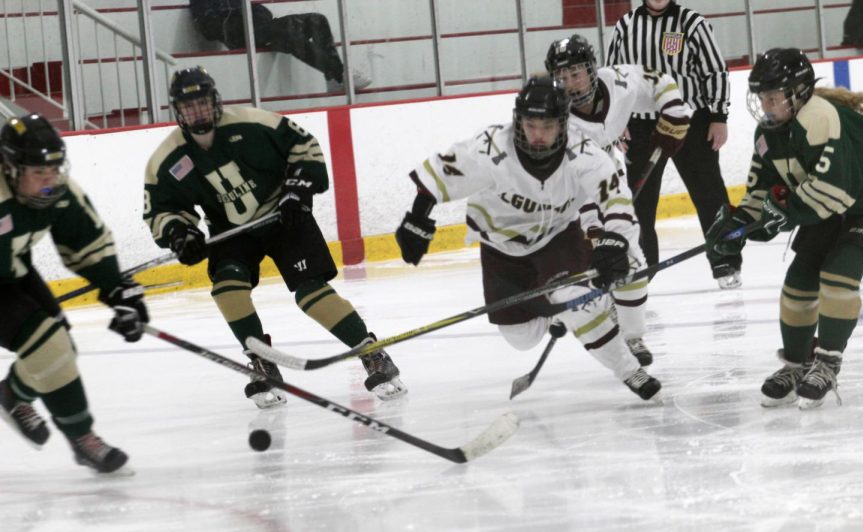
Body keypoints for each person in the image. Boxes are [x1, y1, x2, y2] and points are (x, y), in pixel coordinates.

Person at [144, 66, 405, 407]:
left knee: (310, 291)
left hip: (282, 217)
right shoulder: (168, 158)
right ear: (178, 110)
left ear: (215, 101)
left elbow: (304, 146)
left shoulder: (252, 123)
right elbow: (160, 209)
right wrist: (179, 233)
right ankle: (262, 362)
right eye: (189, 105)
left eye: (202, 102)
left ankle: (371, 352)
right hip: (231, 232)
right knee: (227, 288)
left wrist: (298, 189)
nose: (198, 111)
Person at [394, 75, 662, 401]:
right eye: (531, 125)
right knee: (520, 337)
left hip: (558, 240)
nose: (538, 135)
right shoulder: (490, 148)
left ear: (563, 125)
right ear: (518, 121)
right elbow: (437, 174)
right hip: (500, 249)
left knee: (576, 301)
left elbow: (615, 198)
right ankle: (567, 306)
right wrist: (417, 219)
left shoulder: (582, 152)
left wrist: (614, 242)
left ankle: (630, 370)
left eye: (547, 126)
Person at [705, 47, 863, 410]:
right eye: (762, 97)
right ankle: (796, 365)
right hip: (834, 202)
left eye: (774, 97)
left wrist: (784, 213)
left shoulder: (819, 116)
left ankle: (826, 363)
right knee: (799, 280)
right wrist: (738, 227)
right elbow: (760, 193)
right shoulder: (768, 134)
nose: (766, 105)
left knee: (839, 272)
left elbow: (834, 191)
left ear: (798, 93)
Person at [0, 114, 146, 474]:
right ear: (11, 168)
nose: (50, 181)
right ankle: (81, 437)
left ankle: (13, 395)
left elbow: (87, 243)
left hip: (12, 272)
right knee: (48, 345)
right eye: (39, 173)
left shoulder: (55, 192)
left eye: (54, 169)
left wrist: (119, 291)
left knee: (59, 348)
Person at [545, 33, 693, 367]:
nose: (569, 83)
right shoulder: (556, 121)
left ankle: (632, 336)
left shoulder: (618, 81)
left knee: (632, 256)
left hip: (608, 171)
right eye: (562, 77)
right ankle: (560, 298)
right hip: (563, 192)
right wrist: (595, 232)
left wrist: (673, 109)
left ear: (591, 69)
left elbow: (659, 80)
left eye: (576, 73)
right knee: (586, 256)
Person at [606, 0, 741, 289]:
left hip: (689, 121)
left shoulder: (693, 23)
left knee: (709, 194)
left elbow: (715, 71)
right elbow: (612, 76)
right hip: (640, 126)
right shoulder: (625, 26)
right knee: (639, 201)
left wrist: (718, 116)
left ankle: (724, 261)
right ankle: (641, 267)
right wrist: (618, 120)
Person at [188, 0, 371, 93]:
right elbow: (209, 29)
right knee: (290, 36)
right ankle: (340, 75)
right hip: (243, 36)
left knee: (317, 20)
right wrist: (236, 18)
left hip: (261, 26)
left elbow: (255, 10)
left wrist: (255, 12)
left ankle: (334, 78)